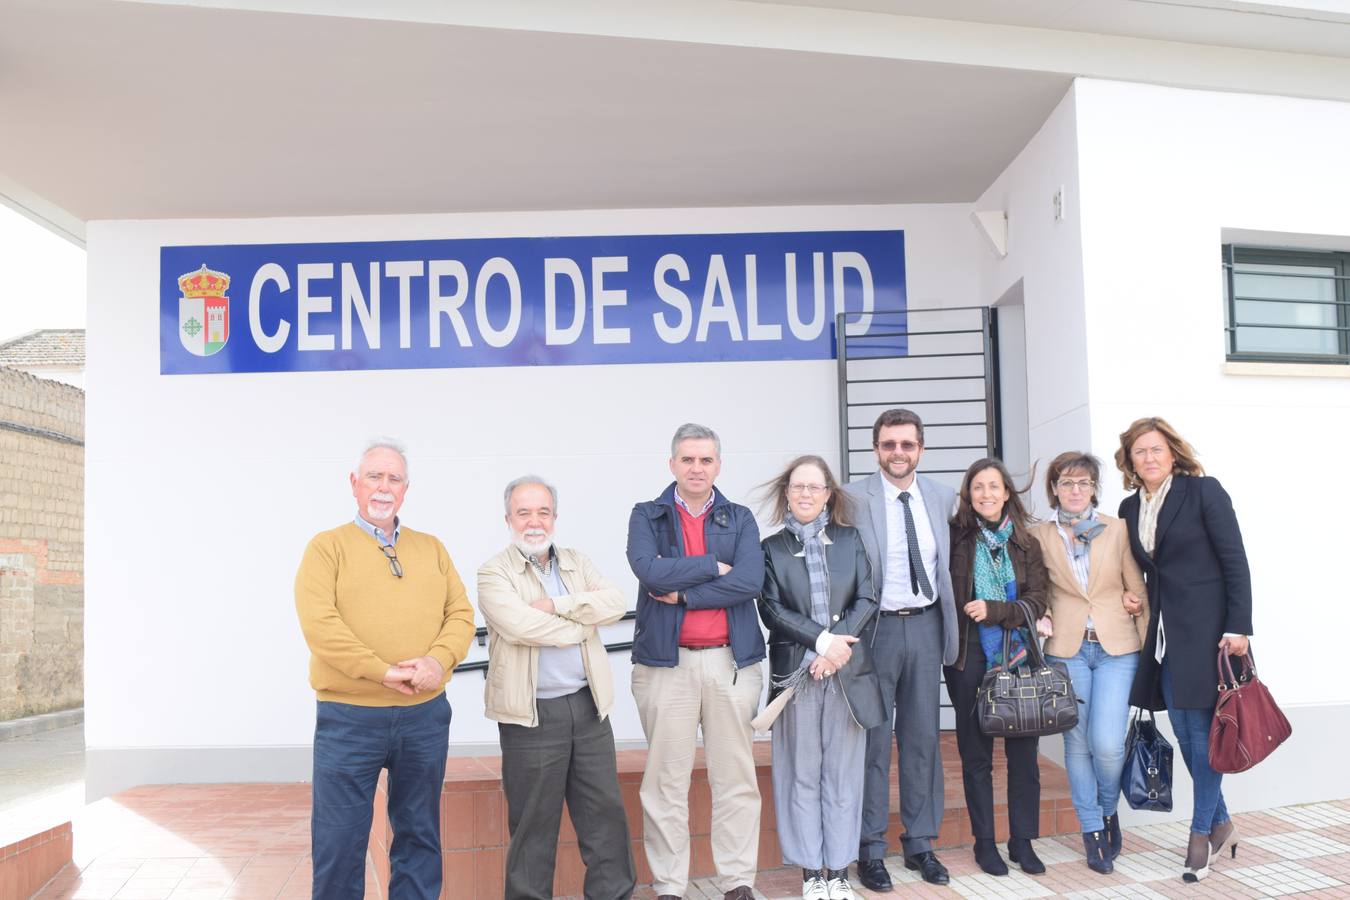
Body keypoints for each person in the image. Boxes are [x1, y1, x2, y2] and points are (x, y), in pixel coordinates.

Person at [294, 438, 476, 900]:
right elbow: (321, 626)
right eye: (374, 476)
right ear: (354, 484)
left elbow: (460, 615)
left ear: (406, 489)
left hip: (424, 716)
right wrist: (380, 671)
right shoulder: (326, 548)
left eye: (394, 479)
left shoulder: (431, 548)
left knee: (418, 833)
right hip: (349, 718)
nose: (383, 487)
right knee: (339, 840)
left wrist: (438, 661)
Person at [477, 475, 636, 900]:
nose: (534, 521)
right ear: (508, 518)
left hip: (588, 709)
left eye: (543, 511)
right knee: (533, 828)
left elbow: (616, 603)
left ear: (555, 517)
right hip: (530, 717)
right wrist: (583, 626)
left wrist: (558, 606)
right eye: (524, 512)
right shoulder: (494, 572)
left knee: (605, 820)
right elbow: (519, 625)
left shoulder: (576, 562)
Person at [626, 423, 766, 900]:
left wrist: (683, 592)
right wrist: (711, 566)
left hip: (732, 664)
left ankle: (738, 882)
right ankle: (669, 886)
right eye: (687, 459)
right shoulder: (647, 515)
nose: (696, 468)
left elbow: (749, 582)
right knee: (665, 782)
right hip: (667, 667)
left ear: (718, 466)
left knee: (736, 780)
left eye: (706, 460)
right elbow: (648, 570)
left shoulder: (740, 517)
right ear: (672, 465)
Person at [1116, 417, 1252, 883]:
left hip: (1209, 634)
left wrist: (1239, 625)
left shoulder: (1203, 492)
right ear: (1130, 461)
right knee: (1190, 738)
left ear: (1173, 453)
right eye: (1140, 452)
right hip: (1163, 640)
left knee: (1204, 739)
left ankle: (1201, 837)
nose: (1149, 458)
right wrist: (1135, 598)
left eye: (1156, 449)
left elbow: (1235, 559)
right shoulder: (1129, 508)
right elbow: (1145, 571)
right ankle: (1224, 823)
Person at [757, 455, 885, 900]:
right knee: (802, 774)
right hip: (797, 674)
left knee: (843, 775)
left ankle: (839, 871)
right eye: (798, 487)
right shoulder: (770, 548)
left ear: (828, 493)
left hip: (845, 671)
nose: (806, 494)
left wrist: (834, 651)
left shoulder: (851, 540)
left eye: (815, 487)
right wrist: (819, 642)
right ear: (787, 493)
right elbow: (771, 609)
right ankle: (811, 872)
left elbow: (868, 597)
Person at [844, 408, 957, 890]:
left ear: (921, 450)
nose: (898, 453)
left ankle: (921, 843)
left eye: (907, 445)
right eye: (889, 444)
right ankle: (870, 849)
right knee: (872, 739)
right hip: (875, 631)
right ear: (876, 450)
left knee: (922, 738)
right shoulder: (852, 498)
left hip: (927, 626)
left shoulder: (941, 496)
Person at [1031, 452, 1148, 874]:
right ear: (1055, 489)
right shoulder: (1040, 535)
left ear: (1095, 488)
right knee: (1077, 744)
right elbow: (1036, 587)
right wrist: (1039, 613)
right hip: (1067, 647)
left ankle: (1107, 809)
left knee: (1107, 744)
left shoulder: (1116, 529)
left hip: (1117, 647)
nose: (1075, 490)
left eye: (1083, 483)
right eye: (1066, 483)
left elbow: (1137, 586)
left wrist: (1140, 617)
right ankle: (1093, 829)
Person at [945, 457, 1050, 877]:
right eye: (978, 487)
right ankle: (984, 843)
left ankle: (1022, 841)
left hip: (1019, 655)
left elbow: (1038, 600)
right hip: (967, 656)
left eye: (994, 486)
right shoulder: (955, 538)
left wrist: (995, 610)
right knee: (976, 755)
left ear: (1007, 492)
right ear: (969, 496)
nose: (986, 494)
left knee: (1024, 756)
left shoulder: (1026, 543)